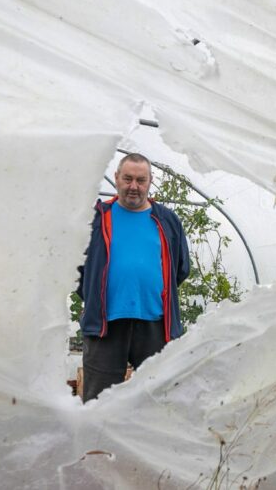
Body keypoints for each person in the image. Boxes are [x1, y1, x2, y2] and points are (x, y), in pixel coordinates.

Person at [77, 153, 190, 402]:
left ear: (150, 182)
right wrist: (95, 297)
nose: (134, 186)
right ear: (116, 178)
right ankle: (98, 442)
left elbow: (181, 268)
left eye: (141, 180)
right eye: (127, 178)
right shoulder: (96, 219)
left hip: (156, 326)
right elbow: (77, 269)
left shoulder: (167, 221)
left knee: (159, 399)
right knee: (99, 402)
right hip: (105, 326)